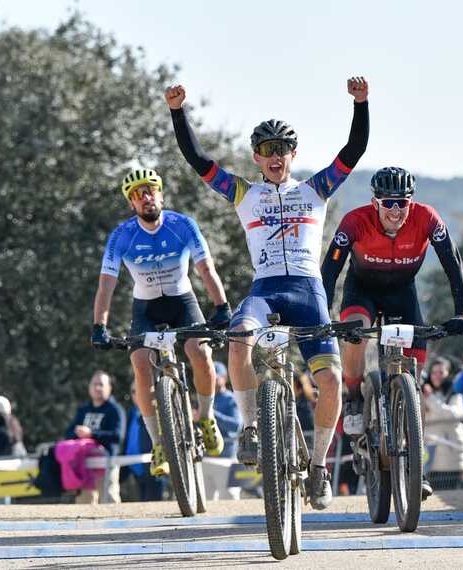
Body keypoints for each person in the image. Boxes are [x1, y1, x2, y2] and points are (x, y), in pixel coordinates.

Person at [167, 76, 369, 510]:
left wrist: (361, 103)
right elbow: (198, 159)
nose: (276, 157)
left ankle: (317, 469)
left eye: (283, 149)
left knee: (330, 380)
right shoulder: (244, 192)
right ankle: (251, 428)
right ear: (257, 157)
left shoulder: (315, 189)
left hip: (307, 290)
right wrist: (178, 112)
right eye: (268, 150)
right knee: (239, 340)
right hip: (266, 290)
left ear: (292, 154)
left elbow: (353, 152)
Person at [90, 167, 232, 478]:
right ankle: (158, 444)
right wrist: (99, 326)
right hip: (146, 307)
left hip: (182, 301)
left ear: (161, 193)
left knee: (200, 350)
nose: (145, 198)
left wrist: (221, 306)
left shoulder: (183, 225)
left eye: (150, 190)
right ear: (132, 204)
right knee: (140, 361)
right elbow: (106, 285)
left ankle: (206, 418)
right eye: (137, 195)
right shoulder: (121, 236)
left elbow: (206, 269)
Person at [320, 166, 463, 435]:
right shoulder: (355, 221)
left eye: (402, 202)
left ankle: (413, 454)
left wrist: (462, 312)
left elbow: (452, 262)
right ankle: (354, 396)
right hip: (362, 289)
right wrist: (324, 313)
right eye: (388, 202)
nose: (396, 210)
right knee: (355, 332)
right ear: (375, 202)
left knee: (416, 372)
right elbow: (330, 270)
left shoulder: (426, 218)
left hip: (402, 291)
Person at [64, 371, 126, 503]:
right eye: (94, 384)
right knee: (84, 503)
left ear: (109, 388)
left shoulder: (115, 409)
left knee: (109, 501)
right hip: (84, 464)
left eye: (101, 384)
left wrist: (91, 434)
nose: (97, 388)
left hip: (107, 463)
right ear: (89, 387)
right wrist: (78, 434)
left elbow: (117, 437)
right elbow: (69, 433)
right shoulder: (84, 410)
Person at [421, 357, 463, 490]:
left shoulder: (454, 395)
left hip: (453, 460)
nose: (437, 376)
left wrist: (431, 399)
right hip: (430, 461)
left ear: (448, 373)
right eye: (434, 372)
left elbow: (452, 414)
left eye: (441, 372)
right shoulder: (420, 396)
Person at [124, 384, 166, 501]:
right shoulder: (131, 413)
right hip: (135, 469)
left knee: (154, 503)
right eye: (134, 391)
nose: (137, 394)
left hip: (153, 466)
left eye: (140, 390)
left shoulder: (159, 412)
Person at [212, 362, 242, 459]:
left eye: (216, 377)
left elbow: (236, 426)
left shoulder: (231, 399)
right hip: (209, 453)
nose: (212, 380)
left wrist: (211, 414)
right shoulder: (208, 399)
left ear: (224, 378)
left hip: (226, 454)